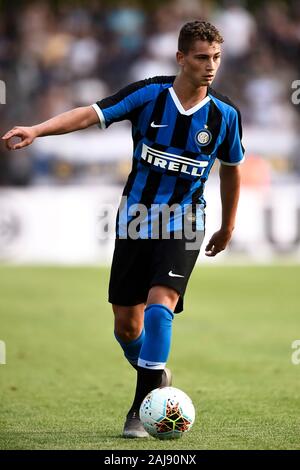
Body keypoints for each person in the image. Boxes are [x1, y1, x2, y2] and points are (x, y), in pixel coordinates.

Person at [2, 20, 244, 438]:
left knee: (159, 306)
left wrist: (227, 226)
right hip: (134, 221)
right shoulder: (148, 94)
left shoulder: (224, 115)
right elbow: (89, 114)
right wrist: (37, 130)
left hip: (185, 223)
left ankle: (141, 408)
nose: (210, 66)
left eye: (217, 58)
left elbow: (233, 170)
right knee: (126, 326)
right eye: (202, 57)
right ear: (181, 58)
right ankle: (157, 375)